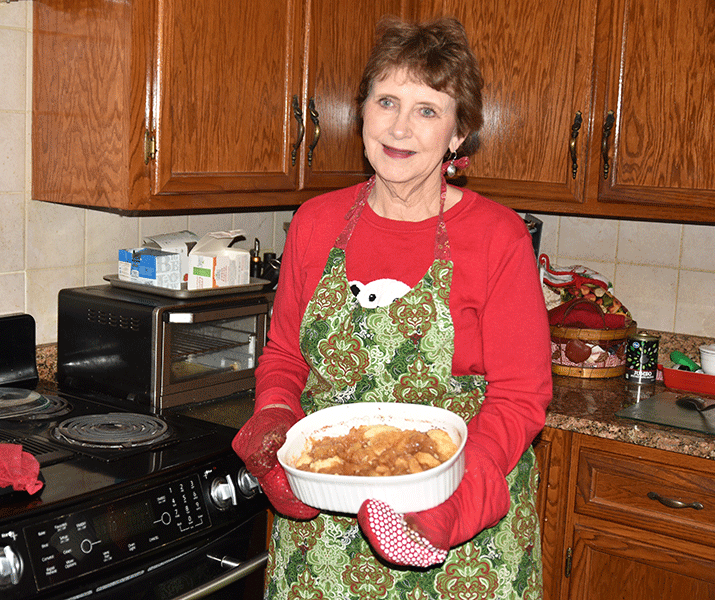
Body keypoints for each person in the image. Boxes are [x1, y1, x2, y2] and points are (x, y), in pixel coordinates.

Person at [232, 15, 552, 600]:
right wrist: (276, 420)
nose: (400, 127)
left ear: (458, 135)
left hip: (456, 531)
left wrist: (454, 499)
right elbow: (285, 356)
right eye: (387, 102)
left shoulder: (497, 237)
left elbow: (520, 396)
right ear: (362, 113)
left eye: (428, 110)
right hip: (325, 523)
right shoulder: (315, 223)